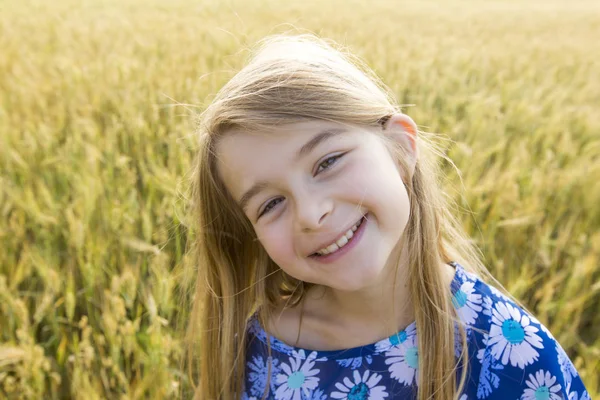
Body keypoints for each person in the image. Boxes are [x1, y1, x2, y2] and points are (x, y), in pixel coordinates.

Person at [183, 33, 590, 400]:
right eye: (270, 204)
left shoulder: (513, 352)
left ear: (400, 147)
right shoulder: (259, 356)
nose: (311, 213)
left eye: (327, 162)